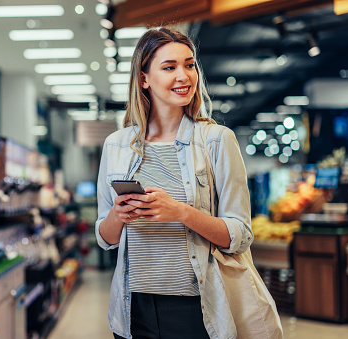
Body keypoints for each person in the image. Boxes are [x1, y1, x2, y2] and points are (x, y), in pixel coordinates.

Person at [95, 27, 253, 339]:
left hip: (197, 309)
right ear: (144, 79)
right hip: (131, 310)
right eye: (169, 67)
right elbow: (105, 237)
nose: (183, 76)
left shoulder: (217, 140)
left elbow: (241, 234)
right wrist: (119, 215)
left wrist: (180, 212)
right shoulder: (116, 145)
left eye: (189, 65)